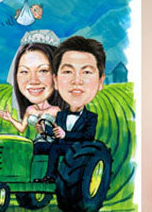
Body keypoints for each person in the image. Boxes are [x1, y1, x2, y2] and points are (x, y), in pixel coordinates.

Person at [35, 35, 106, 183]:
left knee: (55, 148)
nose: (77, 81)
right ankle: (29, 179)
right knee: (37, 147)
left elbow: (87, 136)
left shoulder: (91, 117)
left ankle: (51, 177)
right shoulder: (61, 115)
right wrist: (44, 131)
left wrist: (65, 134)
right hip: (60, 145)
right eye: (68, 72)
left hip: (79, 148)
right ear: (55, 80)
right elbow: (56, 133)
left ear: (100, 82)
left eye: (86, 72)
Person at [0, 30, 67, 151]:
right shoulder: (30, 110)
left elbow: (64, 132)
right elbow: (22, 128)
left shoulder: (56, 110)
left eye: (43, 71)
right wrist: (9, 118)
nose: (33, 81)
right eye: (24, 71)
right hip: (37, 143)